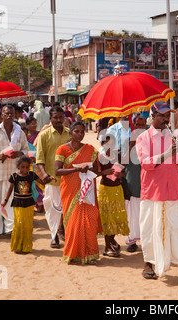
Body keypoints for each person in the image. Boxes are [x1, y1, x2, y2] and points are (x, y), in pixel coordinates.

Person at [135, 101, 178, 283]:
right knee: (150, 228)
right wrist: (166, 154)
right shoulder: (143, 137)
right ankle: (148, 264)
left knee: (176, 229)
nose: (165, 119)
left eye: (167, 116)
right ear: (152, 117)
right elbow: (145, 163)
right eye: (161, 116)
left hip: (172, 189)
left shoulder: (174, 136)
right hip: (152, 191)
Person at [55, 121, 102, 264]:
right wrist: (76, 169)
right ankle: (73, 254)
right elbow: (57, 171)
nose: (80, 134)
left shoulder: (90, 149)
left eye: (82, 132)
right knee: (73, 223)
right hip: (70, 190)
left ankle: (91, 254)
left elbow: (96, 170)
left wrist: (88, 169)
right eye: (76, 131)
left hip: (87, 190)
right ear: (70, 133)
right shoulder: (62, 149)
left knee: (88, 222)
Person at [0, 105, 29, 235]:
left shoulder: (19, 132)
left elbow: (26, 150)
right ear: (1, 115)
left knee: (13, 202)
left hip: (15, 173)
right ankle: (0, 229)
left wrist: (19, 154)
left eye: (12, 114)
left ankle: (10, 229)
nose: (9, 116)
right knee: (0, 203)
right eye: (6, 114)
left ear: (15, 115)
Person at [36, 106, 70, 248]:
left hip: (68, 178)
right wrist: (45, 176)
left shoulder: (70, 134)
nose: (58, 120)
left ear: (64, 118)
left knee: (65, 208)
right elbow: (39, 159)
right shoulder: (44, 135)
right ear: (50, 119)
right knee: (51, 209)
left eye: (60, 117)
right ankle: (53, 235)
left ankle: (61, 230)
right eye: (55, 117)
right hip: (51, 179)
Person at [1, 156, 43, 254]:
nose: (24, 169)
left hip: (29, 203)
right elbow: (10, 190)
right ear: (18, 167)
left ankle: (26, 247)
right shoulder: (14, 176)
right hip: (18, 203)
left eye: (27, 167)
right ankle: (18, 246)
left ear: (29, 167)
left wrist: (49, 178)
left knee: (27, 225)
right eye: (22, 167)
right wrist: (5, 200)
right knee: (19, 224)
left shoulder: (32, 175)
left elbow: (42, 182)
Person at [98, 136, 130, 257]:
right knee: (107, 218)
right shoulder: (99, 157)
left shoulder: (118, 156)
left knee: (116, 217)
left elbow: (124, 169)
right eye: (106, 144)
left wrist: (121, 174)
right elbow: (94, 172)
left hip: (117, 189)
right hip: (105, 190)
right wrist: (103, 173)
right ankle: (107, 247)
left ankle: (112, 241)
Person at [124, 116, 147, 252]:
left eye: (142, 125)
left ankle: (146, 242)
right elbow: (122, 162)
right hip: (132, 183)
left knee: (145, 215)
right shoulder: (127, 141)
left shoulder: (150, 141)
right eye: (137, 125)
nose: (139, 127)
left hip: (147, 185)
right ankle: (132, 241)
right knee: (132, 215)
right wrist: (132, 145)